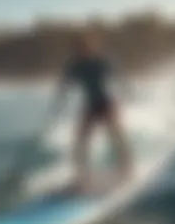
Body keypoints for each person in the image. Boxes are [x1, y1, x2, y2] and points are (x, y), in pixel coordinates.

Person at [52, 32, 132, 193]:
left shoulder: (101, 61)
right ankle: (82, 179)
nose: (85, 50)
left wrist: (126, 90)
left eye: (88, 46)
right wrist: (59, 98)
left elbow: (119, 75)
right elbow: (64, 82)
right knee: (80, 143)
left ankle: (127, 170)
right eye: (81, 47)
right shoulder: (75, 64)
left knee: (115, 136)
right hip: (90, 105)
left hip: (106, 104)